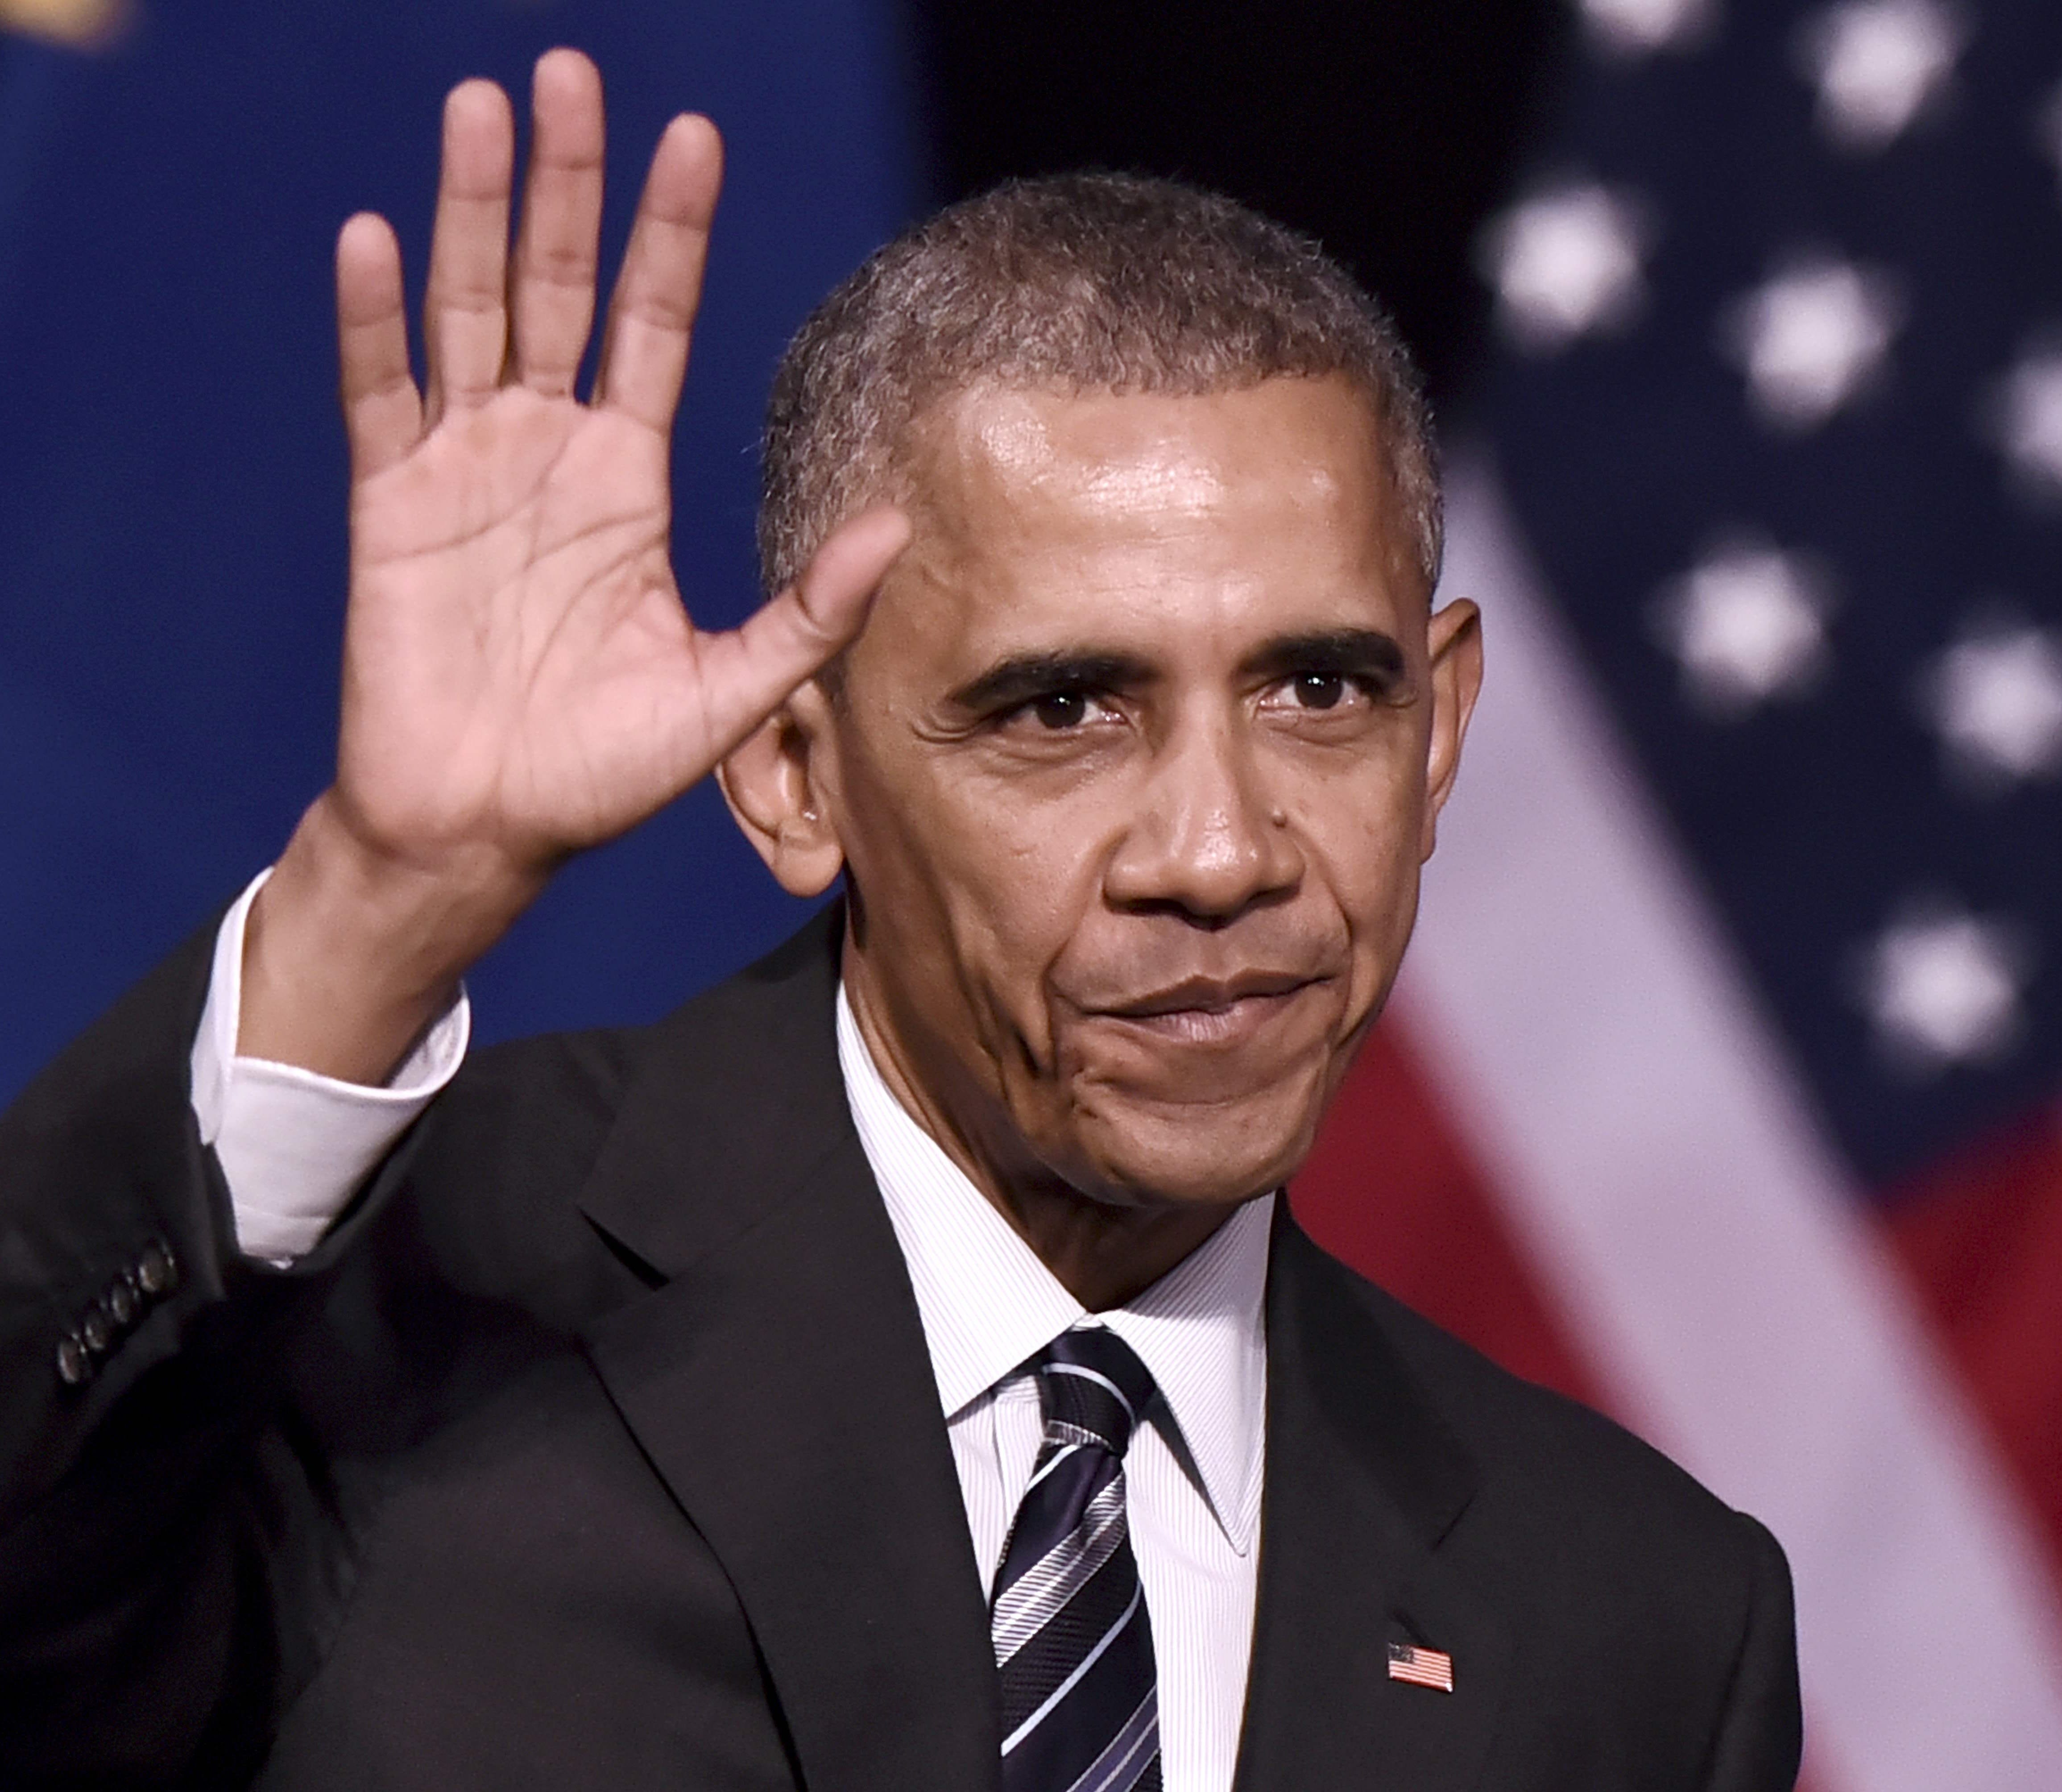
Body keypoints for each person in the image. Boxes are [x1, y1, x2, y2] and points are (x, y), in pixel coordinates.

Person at [0, 48, 1799, 1792]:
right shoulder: (375, 1330)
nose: (1218, 850)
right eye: (1064, 708)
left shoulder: (1638, 1625)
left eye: (1319, 690)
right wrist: (384, 895)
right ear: (796, 770)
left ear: (1443, 725)